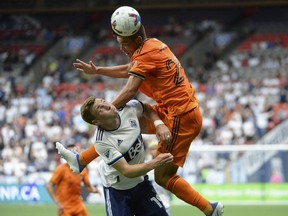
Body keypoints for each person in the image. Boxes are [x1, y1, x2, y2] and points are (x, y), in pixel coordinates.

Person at [73, 6, 224, 216]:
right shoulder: (152, 45)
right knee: (125, 125)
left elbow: (130, 90)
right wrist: (98, 70)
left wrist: (108, 111)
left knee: (163, 177)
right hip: (175, 111)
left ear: (134, 39)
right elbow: (129, 70)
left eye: (123, 42)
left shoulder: (144, 55)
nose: (121, 48)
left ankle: (210, 209)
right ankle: (81, 160)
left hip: (179, 116)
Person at [56, 96, 174, 216]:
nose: (106, 105)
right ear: (96, 122)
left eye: (103, 101)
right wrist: (156, 162)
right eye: (100, 108)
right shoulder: (102, 142)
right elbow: (127, 170)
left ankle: (79, 161)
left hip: (141, 184)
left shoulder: (128, 108)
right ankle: (79, 161)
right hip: (118, 191)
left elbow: (146, 108)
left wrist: (159, 124)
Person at [46, 142, 101, 216]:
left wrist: (95, 190)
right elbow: (49, 185)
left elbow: (88, 187)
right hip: (65, 207)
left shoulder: (82, 170)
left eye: (74, 151)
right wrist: (57, 203)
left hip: (78, 206)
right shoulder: (61, 169)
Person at [146, 139, 172, 215]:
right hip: (150, 203)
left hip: (164, 202)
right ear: (150, 151)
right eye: (152, 149)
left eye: (156, 148)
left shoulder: (166, 165)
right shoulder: (145, 165)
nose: (154, 151)